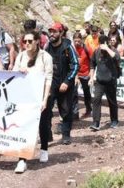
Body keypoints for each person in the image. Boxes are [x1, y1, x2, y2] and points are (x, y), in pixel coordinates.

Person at [11, 33, 53, 173]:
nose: (27, 43)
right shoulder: (21, 56)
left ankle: (44, 149)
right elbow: (14, 74)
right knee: (24, 127)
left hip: (40, 97)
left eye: (30, 41)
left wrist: (45, 99)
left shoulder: (45, 57)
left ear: (37, 42)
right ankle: (22, 160)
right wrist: (19, 71)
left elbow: (48, 78)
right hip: (25, 98)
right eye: (25, 41)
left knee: (43, 125)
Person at [44, 23, 78, 145]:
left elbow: (75, 65)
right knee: (46, 109)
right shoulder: (47, 47)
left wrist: (67, 81)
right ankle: (46, 135)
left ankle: (66, 135)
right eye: (50, 31)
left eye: (54, 32)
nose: (51, 34)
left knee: (66, 110)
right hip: (51, 83)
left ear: (61, 33)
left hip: (65, 84)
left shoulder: (68, 47)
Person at [89, 35, 120, 130]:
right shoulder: (97, 51)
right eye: (100, 42)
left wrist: (107, 48)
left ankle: (114, 120)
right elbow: (92, 65)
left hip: (111, 81)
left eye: (103, 42)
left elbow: (117, 58)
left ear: (108, 42)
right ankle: (96, 123)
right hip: (99, 81)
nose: (101, 45)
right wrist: (91, 78)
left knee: (112, 102)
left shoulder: (113, 50)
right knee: (96, 100)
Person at [72, 31, 93, 119]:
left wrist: (91, 74)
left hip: (85, 74)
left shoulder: (87, 48)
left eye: (78, 41)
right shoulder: (72, 49)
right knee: (74, 93)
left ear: (81, 40)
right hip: (76, 74)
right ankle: (75, 113)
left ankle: (88, 109)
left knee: (86, 92)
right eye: (75, 41)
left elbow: (92, 61)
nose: (77, 43)